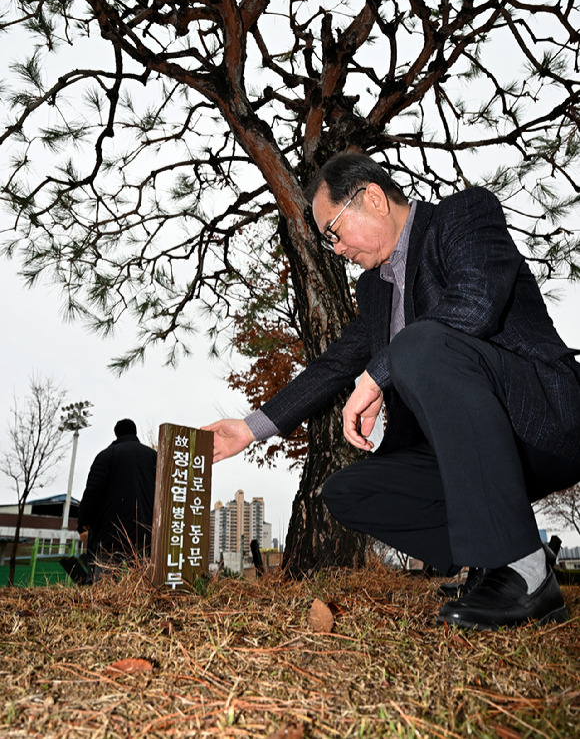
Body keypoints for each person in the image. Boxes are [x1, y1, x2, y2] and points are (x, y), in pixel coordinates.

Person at [204, 152, 580, 630]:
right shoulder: (376, 288)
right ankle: (494, 560)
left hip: (540, 421)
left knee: (418, 343)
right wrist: (249, 429)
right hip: (468, 458)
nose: (334, 249)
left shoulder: (463, 215)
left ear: (374, 198)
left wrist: (380, 371)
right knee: (349, 492)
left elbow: (477, 305)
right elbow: (335, 363)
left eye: (333, 232)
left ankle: (524, 570)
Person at [77, 418, 157, 579]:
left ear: (116, 434)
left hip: (110, 533)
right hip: (145, 531)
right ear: (135, 433)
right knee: (144, 582)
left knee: (105, 585)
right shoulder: (154, 457)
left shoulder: (106, 456)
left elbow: (93, 492)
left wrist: (83, 522)